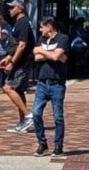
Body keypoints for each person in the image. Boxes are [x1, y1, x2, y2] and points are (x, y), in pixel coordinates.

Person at [31, 16, 69, 157]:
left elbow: (56, 56)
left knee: (58, 117)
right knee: (35, 113)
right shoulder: (41, 39)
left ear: (49, 26)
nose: (40, 29)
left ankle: (58, 146)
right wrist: (53, 55)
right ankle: (42, 144)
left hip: (57, 84)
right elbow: (36, 56)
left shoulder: (63, 38)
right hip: (42, 83)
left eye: (42, 26)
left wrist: (45, 53)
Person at [0, 0, 35, 133]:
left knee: (7, 87)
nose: (10, 10)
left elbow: (22, 45)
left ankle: (28, 115)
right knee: (19, 91)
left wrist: (12, 62)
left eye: (12, 7)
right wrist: (8, 58)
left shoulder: (23, 22)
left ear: (19, 8)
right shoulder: (18, 22)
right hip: (19, 61)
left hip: (21, 63)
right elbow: (17, 45)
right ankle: (23, 122)